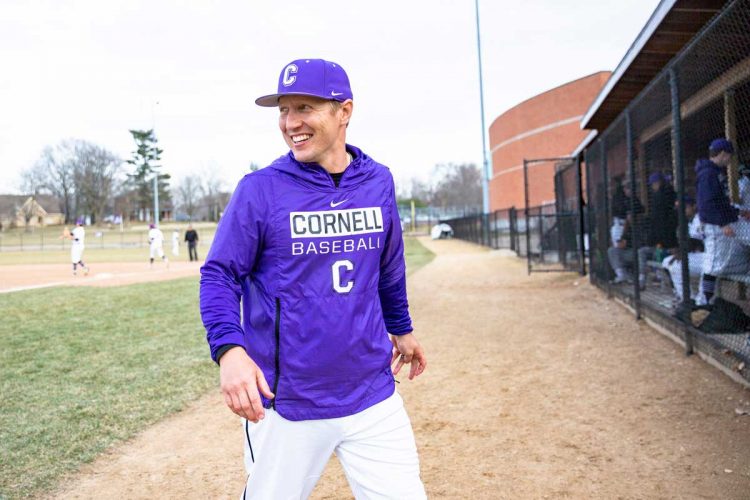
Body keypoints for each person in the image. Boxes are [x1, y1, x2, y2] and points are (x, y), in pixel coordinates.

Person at [199, 58, 427, 499]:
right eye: (284, 110)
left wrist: (401, 329)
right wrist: (229, 350)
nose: (290, 122)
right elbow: (219, 274)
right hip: (288, 402)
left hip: (371, 393)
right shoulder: (261, 190)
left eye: (305, 107)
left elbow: (388, 267)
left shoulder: (377, 182)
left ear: (345, 111)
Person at [696, 138, 750, 303]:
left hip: (721, 223)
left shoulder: (713, 172)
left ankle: (705, 301)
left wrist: (738, 212)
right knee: (712, 266)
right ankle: (704, 302)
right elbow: (707, 204)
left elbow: (720, 202)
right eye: (728, 156)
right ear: (722, 154)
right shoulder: (708, 173)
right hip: (715, 226)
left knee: (714, 265)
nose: (729, 160)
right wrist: (723, 223)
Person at [637, 172, 677, 289]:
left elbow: (659, 223)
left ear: (658, 183)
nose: (652, 187)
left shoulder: (662, 197)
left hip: (667, 242)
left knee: (659, 254)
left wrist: (653, 240)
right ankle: (644, 280)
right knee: (644, 252)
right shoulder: (663, 196)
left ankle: (665, 280)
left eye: (653, 184)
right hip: (661, 241)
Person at [661, 196, 704, 303]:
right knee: (666, 262)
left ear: (694, 206)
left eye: (686, 207)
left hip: (706, 256)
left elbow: (696, 243)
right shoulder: (690, 220)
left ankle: (688, 300)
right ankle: (685, 297)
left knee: (676, 265)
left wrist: (682, 252)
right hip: (697, 256)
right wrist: (680, 251)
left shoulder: (700, 218)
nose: (683, 210)